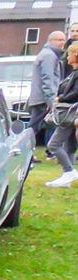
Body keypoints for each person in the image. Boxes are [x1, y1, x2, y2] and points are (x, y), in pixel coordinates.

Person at [43, 41, 78, 187]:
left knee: (54, 144)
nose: (67, 56)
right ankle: (67, 178)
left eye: (69, 53)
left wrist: (59, 99)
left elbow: (76, 93)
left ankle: (69, 171)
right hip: (70, 113)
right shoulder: (73, 73)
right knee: (69, 146)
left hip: (69, 113)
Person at [28, 30, 66, 159]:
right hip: (43, 99)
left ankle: (48, 152)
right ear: (51, 41)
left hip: (41, 97)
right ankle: (27, 151)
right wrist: (51, 100)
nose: (62, 43)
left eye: (63, 40)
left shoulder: (47, 54)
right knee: (34, 128)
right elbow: (47, 78)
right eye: (59, 40)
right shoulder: (49, 56)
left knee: (41, 126)